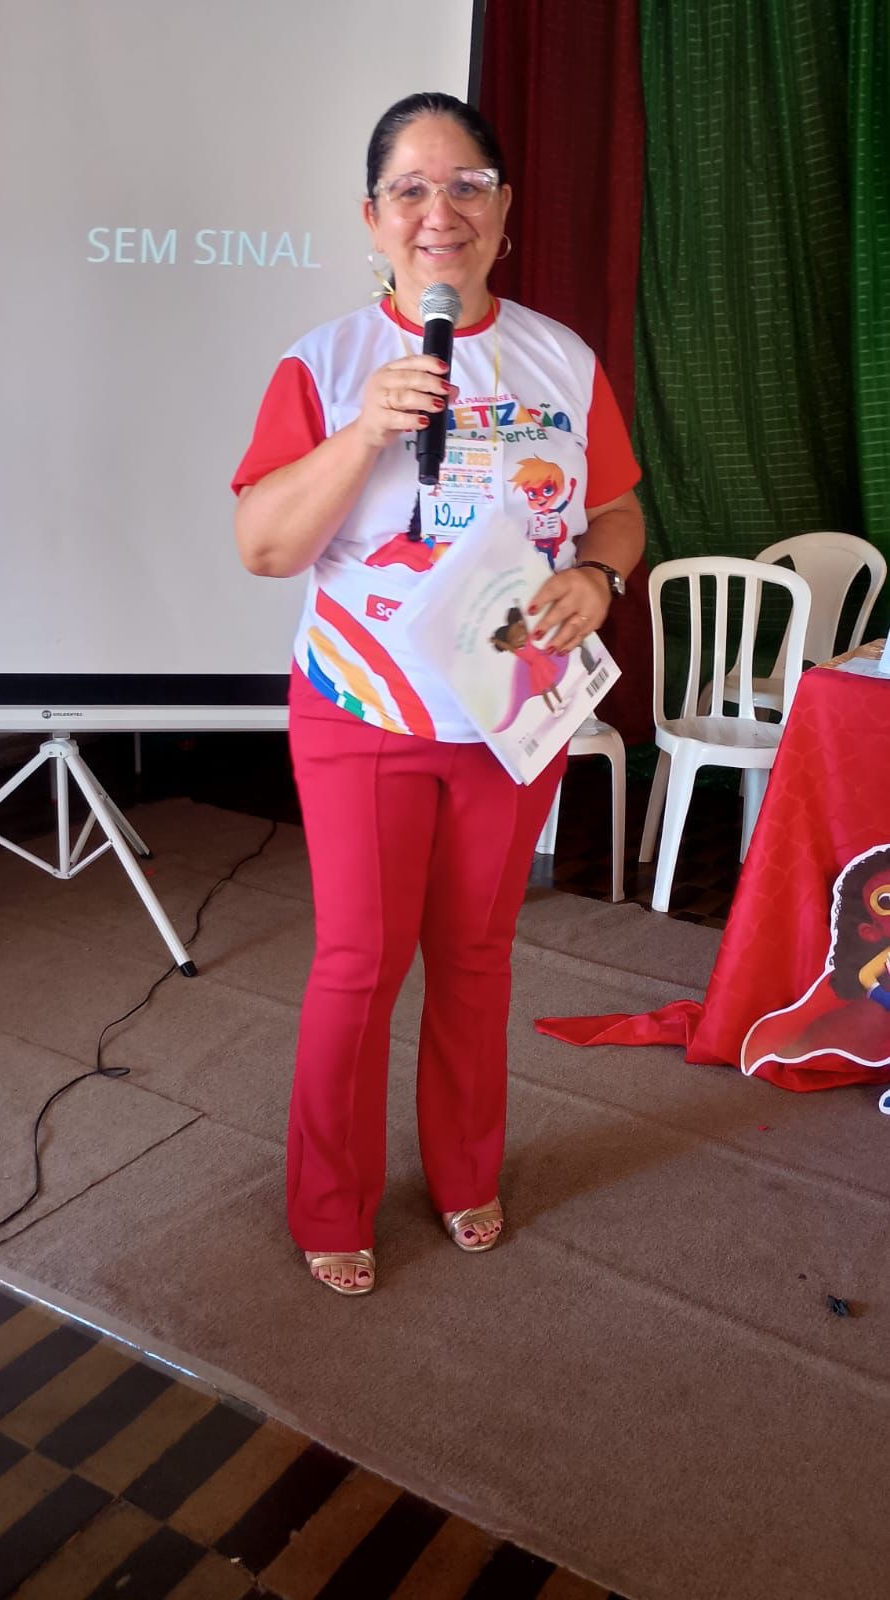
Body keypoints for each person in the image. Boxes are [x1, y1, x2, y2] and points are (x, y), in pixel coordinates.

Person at [232, 91, 645, 1296]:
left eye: (468, 184)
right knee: (361, 963)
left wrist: (599, 577)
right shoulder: (324, 364)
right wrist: (364, 432)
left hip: (513, 716)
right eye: (410, 189)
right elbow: (264, 545)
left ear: (504, 211)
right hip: (362, 711)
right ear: (373, 218)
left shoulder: (563, 359)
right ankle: (329, 1200)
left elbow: (617, 509)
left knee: (476, 955)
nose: (440, 211)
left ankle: (465, 1170)